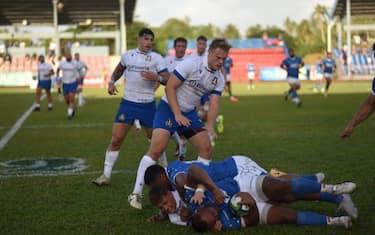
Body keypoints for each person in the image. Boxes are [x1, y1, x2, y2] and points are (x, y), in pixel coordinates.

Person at [128, 38, 231, 210]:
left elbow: (214, 103)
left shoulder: (218, 78)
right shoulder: (192, 64)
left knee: (206, 149)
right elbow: (169, 87)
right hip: (169, 107)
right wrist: (177, 114)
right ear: (210, 52)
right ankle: (135, 193)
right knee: (157, 149)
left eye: (224, 59)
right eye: (218, 58)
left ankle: (198, 189)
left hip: (189, 113)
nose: (221, 62)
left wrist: (211, 126)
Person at [145, 156, 357, 224]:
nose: (166, 206)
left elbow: (190, 176)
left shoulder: (176, 178)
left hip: (236, 174)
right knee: (285, 204)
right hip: (235, 204)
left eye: (164, 201)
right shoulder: (173, 208)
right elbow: (175, 207)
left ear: (163, 184)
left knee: (281, 189)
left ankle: (328, 188)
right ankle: (332, 209)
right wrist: (164, 214)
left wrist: (204, 191)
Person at [92, 28, 170, 186]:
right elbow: (119, 69)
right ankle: (105, 175)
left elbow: (168, 80)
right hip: (128, 103)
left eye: (151, 40)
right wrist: (112, 82)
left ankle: (166, 170)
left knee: (155, 141)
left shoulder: (157, 58)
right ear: (139, 39)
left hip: (147, 105)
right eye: (146, 39)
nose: (149, 42)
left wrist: (156, 77)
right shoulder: (128, 55)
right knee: (116, 139)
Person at [190, 192, 352, 232]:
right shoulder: (224, 224)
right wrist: (251, 205)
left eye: (212, 214)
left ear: (200, 210)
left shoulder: (198, 199)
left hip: (248, 188)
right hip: (253, 210)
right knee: (289, 216)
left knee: (291, 194)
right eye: (214, 220)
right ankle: (337, 220)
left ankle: (337, 197)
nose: (216, 215)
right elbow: (251, 220)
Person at [165, 37, 189, 160]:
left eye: (183, 46)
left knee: (184, 131)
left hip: (185, 101)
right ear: (174, 47)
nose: (180, 49)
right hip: (169, 101)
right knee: (166, 129)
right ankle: (178, 143)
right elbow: (163, 79)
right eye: (178, 46)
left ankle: (182, 157)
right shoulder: (167, 61)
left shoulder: (190, 62)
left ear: (186, 48)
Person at [56, 52, 80, 119]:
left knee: (71, 98)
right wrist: (58, 78)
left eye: (69, 56)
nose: (68, 57)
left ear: (71, 56)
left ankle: (69, 114)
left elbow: (77, 72)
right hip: (65, 83)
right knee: (67, 99)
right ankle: (72, 108)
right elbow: (58, 70)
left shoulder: (75, 63)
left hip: (73, 82)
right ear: (65, 57)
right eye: (67, 56)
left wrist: (78, 84)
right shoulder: (62, 63)